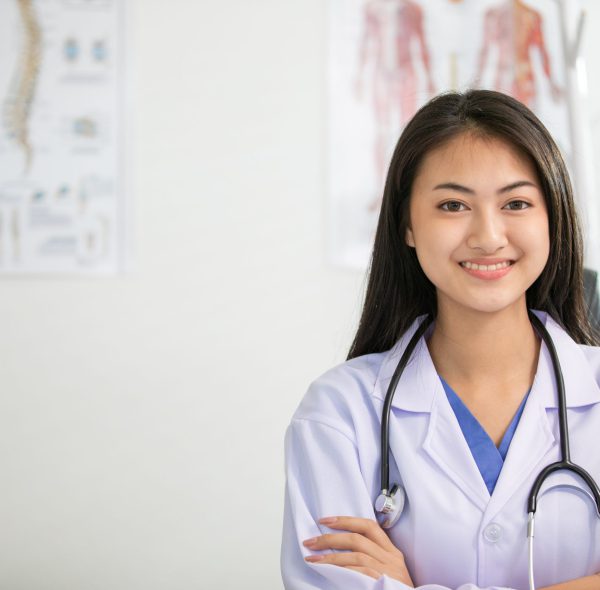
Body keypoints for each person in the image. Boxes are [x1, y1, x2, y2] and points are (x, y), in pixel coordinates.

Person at [281, 89, 600, 589]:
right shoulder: (340, 414)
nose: (489, 236)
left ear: (552, 218)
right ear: (407, 223)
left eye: (516, 202)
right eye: (453, 205)